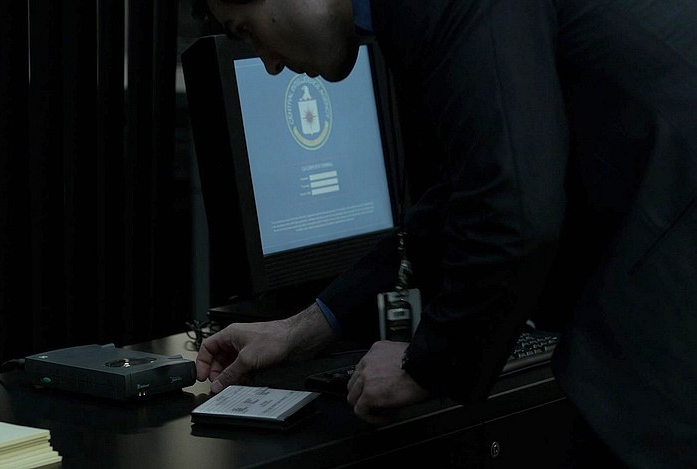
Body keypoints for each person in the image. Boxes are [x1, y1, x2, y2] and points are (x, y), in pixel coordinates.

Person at [190, 0, 697, 467]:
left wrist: (426, 365)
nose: (267, 61)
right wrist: (306, 326)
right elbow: (471, 190)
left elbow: (514, 207)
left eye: (246, 30)